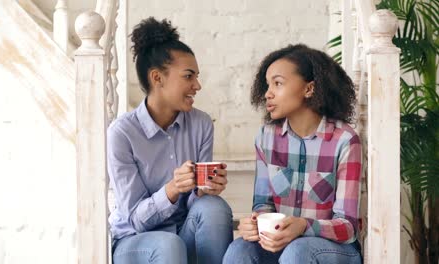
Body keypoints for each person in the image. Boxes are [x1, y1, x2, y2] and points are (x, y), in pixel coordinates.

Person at [107, 17, 233, 264]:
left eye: (196, 77)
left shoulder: (201, 124)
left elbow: (198, 207)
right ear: (157, 78)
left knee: (214, 208)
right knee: (168, 244)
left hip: (182, 233)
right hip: (135, 241)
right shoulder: (122, 133)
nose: (197, 85)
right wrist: (173, 189)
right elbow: (135, 218)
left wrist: (205, 189)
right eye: (188, 76)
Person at [223, 44, 363, 264]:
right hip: (283, 246)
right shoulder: (266, 137)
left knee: (298, 251)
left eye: (277, 83)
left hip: (334, 250)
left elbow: (348, 227)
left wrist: (303, 226)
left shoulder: (344, 141)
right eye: (267, 84)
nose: (267, 93)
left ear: (309, 89)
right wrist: (256, 222)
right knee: (239, 250)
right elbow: (263, 205)